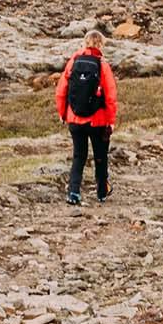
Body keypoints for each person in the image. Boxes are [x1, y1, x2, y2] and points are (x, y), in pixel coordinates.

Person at [55, 30, 118, 205]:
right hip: (98, 120)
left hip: (74, 118)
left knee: (78, 156)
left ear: (84, 43)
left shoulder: (73, 62)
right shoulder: (102, 65)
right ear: (100, 45)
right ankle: (101, 193)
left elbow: (61, 91)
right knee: (100, 156)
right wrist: (111, 121)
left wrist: (63, 113)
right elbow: (111, 97)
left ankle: (73, 192)